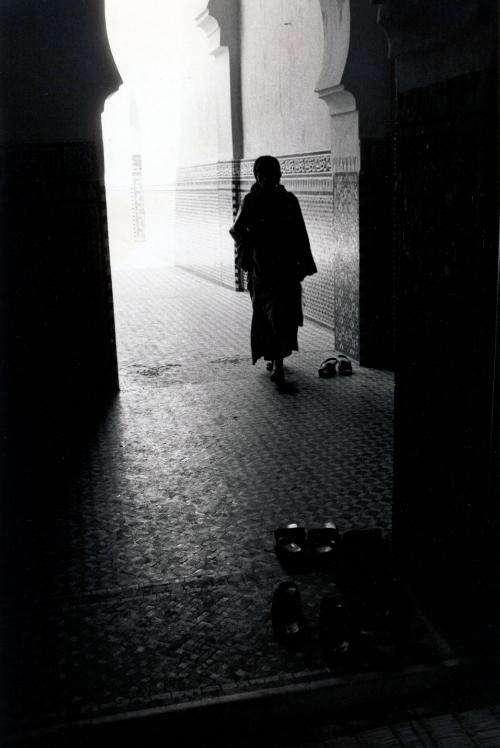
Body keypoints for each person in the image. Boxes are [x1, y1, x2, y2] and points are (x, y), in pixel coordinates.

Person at [229, 155, 317, 386]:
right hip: (263, 271)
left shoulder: (287, 200)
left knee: (281, 316)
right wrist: (251, 249)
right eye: (263, 175)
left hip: (284, 269)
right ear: (257, 177)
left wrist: (303, 265)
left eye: (272, 175)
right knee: (271, 317)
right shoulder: (252, 201)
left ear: (279, 176)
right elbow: (237, 230)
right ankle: (276, 360)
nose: (267, 179)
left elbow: (300, 233)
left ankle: (277, 362)